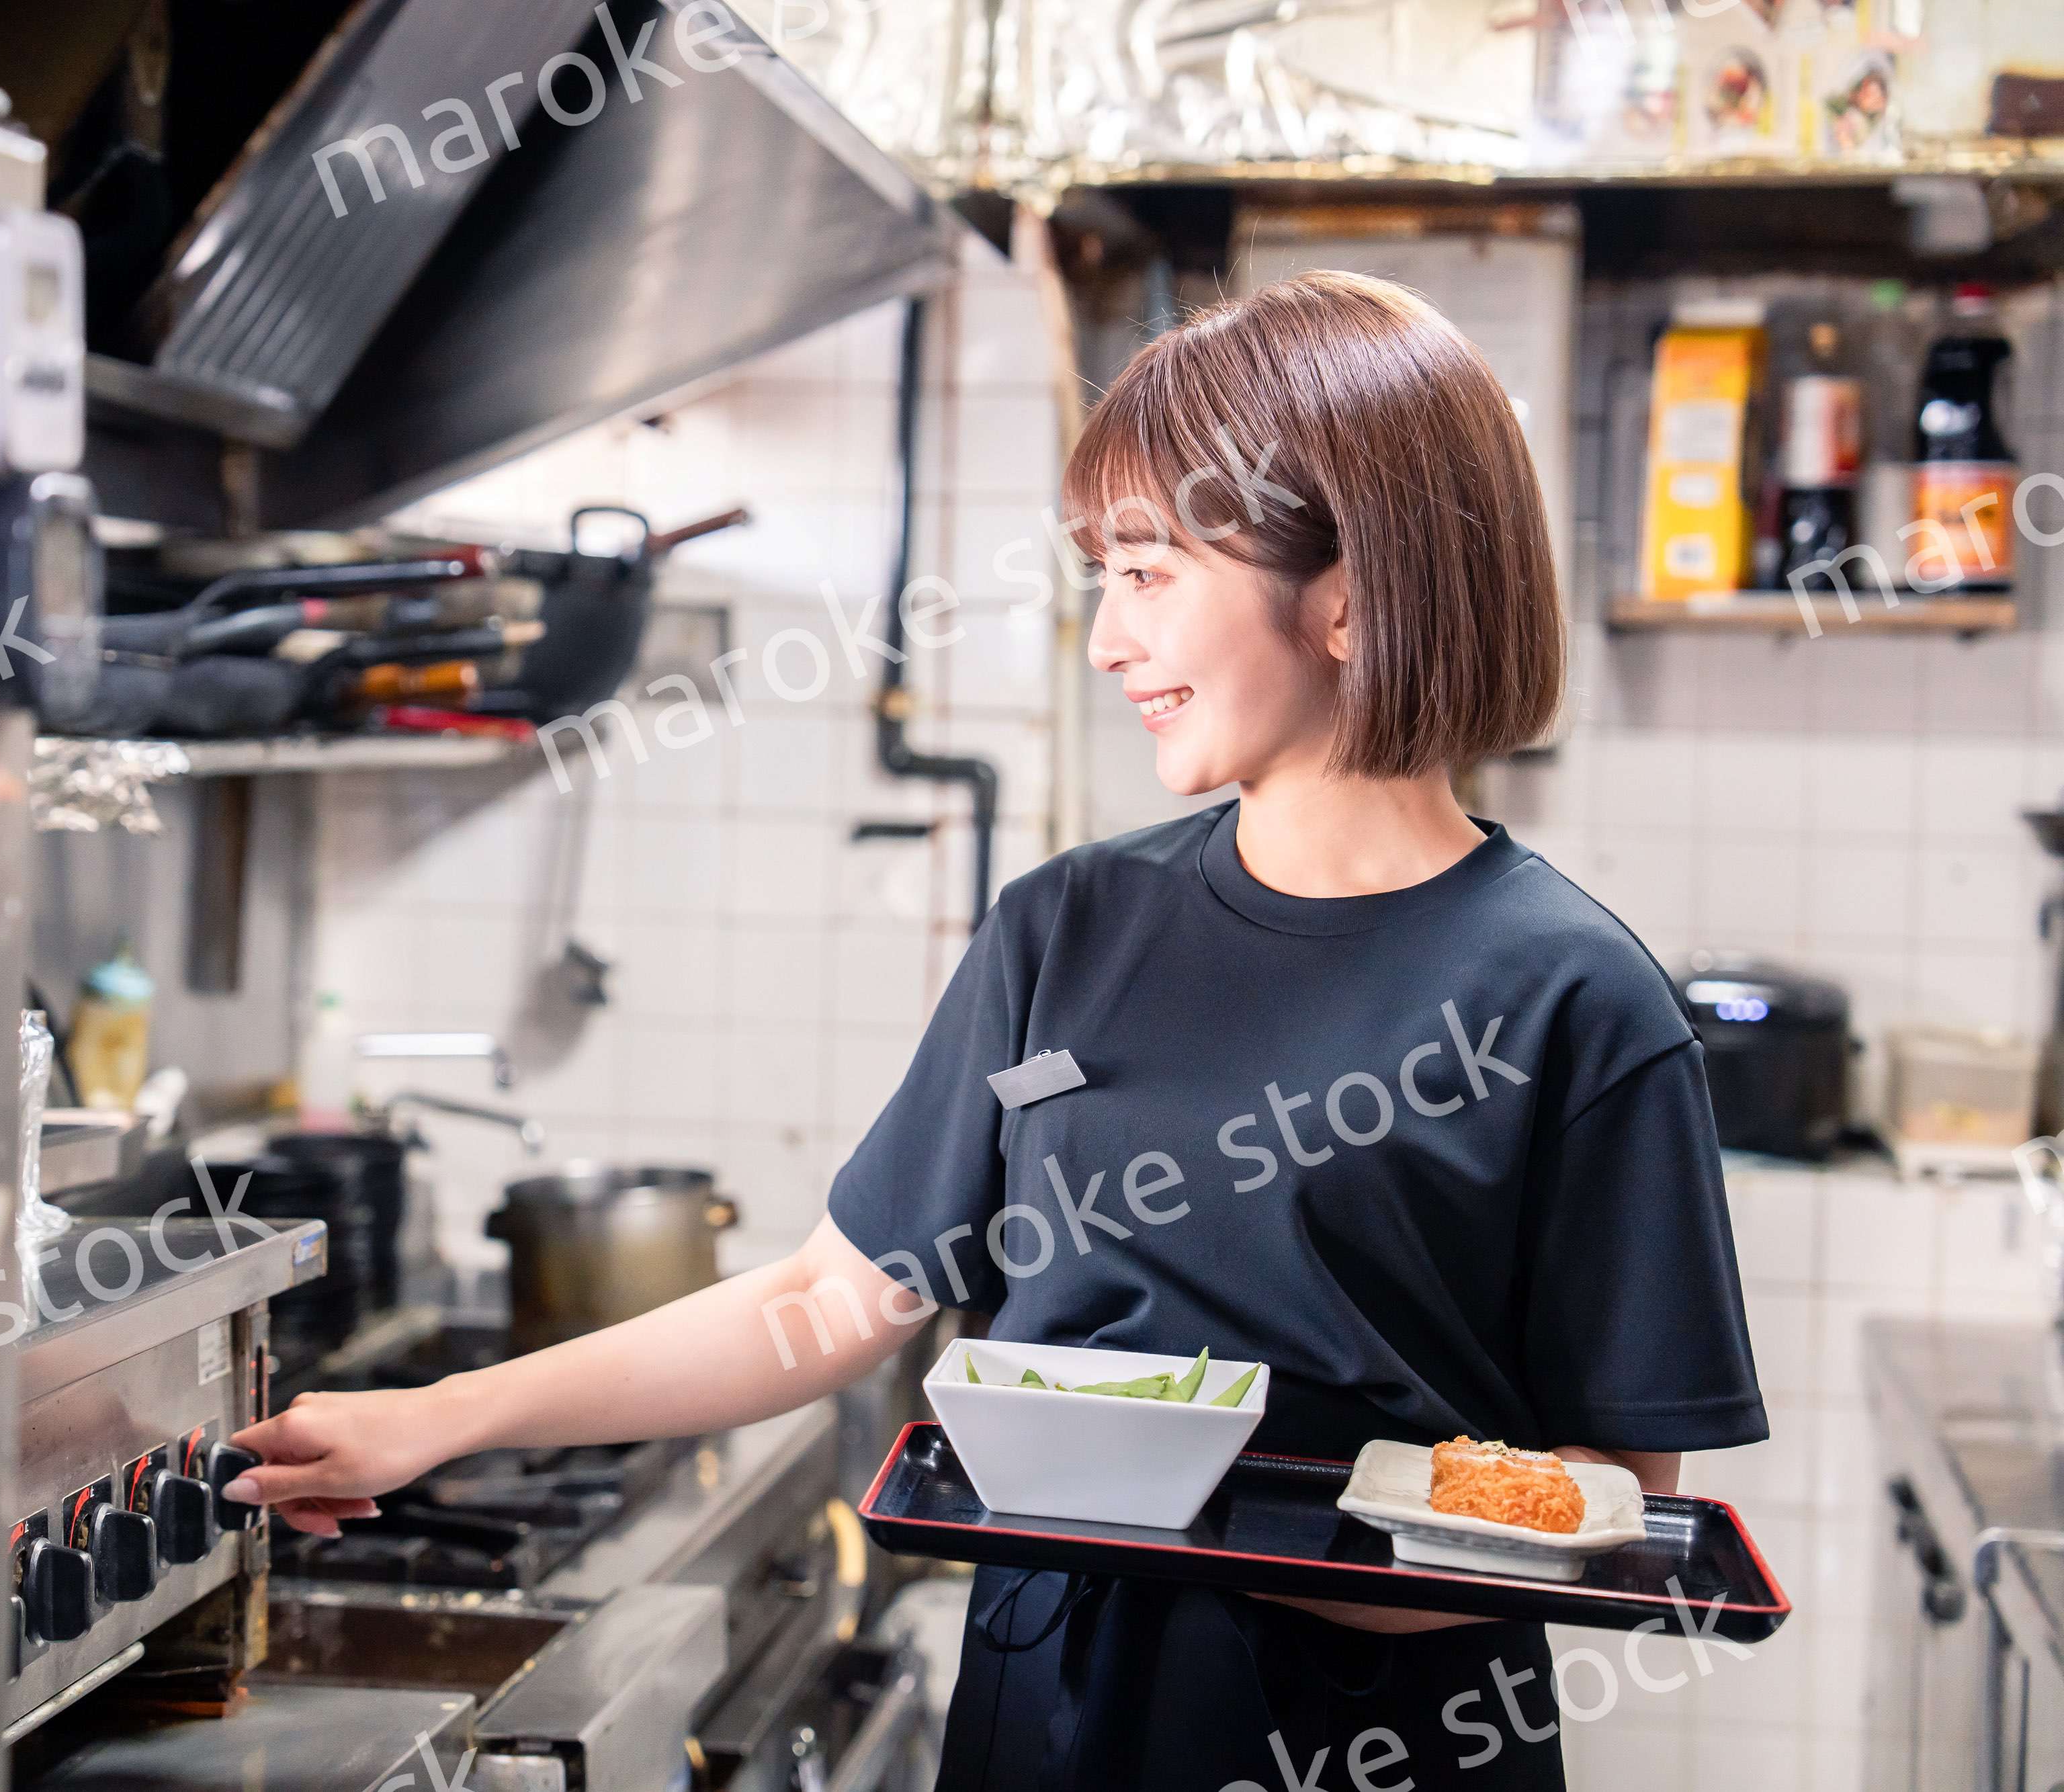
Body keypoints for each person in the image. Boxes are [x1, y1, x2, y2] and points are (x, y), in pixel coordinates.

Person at [222, 270, 1767, 1791]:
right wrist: (439, 1417)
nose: (1104, 641)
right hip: (1048, 1709)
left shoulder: (1573, 998)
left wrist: (1251, 1542)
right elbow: (837, 1296)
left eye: (1149, 573)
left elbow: (1611, 1494)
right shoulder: (1065, 928)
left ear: (1351, 593)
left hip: (1376, 1730)